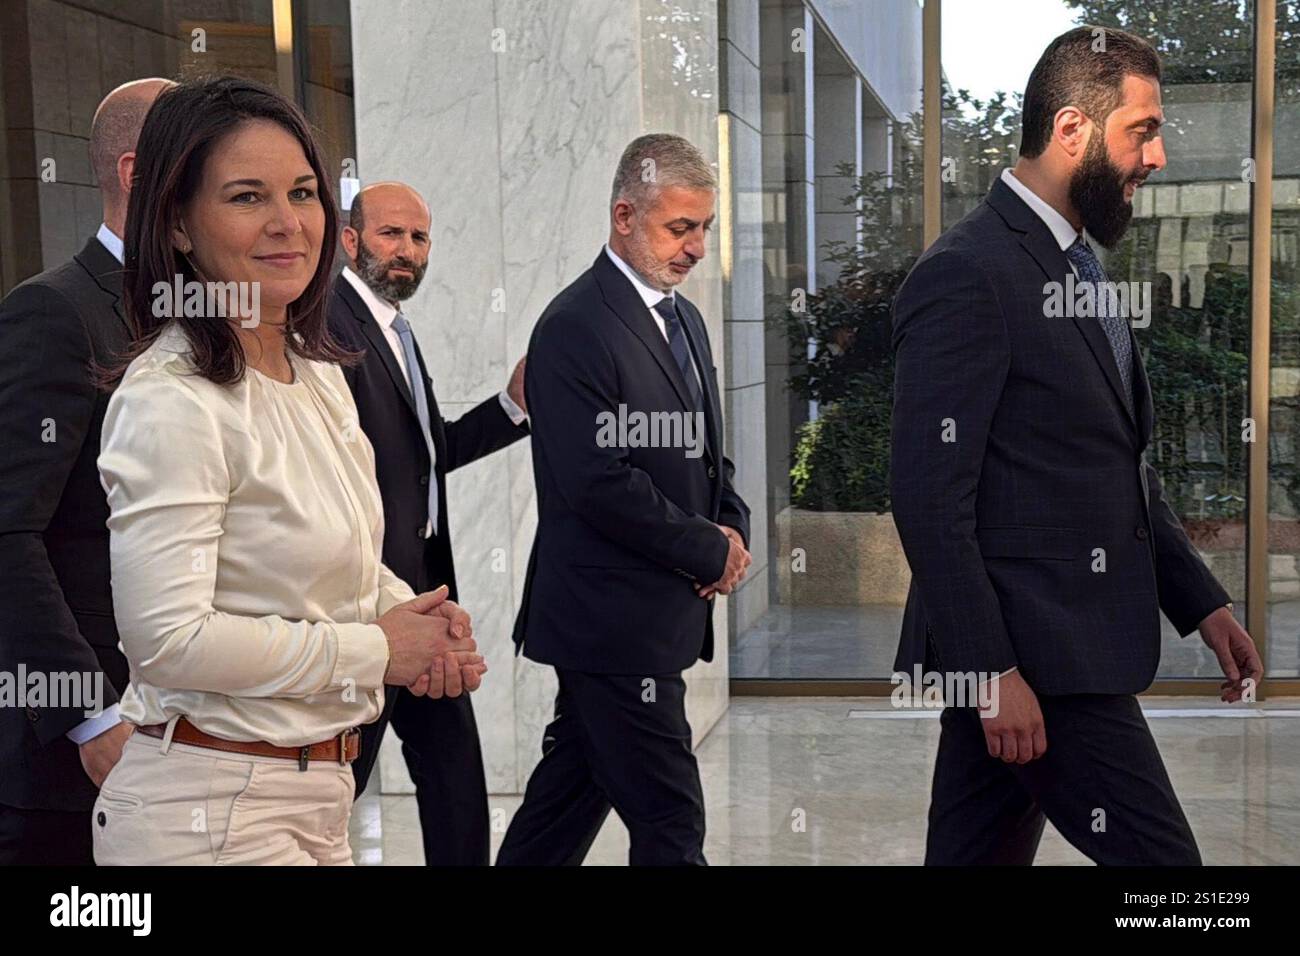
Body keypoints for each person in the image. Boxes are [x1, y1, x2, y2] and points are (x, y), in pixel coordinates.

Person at [889, 26, 1263, 866]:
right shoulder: (968, 272)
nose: (1157, 156)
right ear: (1071, 129)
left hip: (1045, 658)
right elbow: (927, 496)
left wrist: (1202, 603)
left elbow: (1112, 463)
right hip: (1040, 663)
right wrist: (991, 674)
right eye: (1142, 131)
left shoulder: (1073, 266)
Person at [93, 75, 484, 866]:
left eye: (303, 193)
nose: (287, 223)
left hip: (317, 793)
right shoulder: (172, 398)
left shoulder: (317, 374)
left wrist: (416, 618)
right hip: (209, 811)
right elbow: (168, 640)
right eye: (247, 197)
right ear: (176, 223)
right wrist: (377, 650)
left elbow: (337, 563)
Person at [498, 133, 751, 866]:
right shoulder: (573, 325)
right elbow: (597, 482)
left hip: (646, 619)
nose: (696, 247)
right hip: (609, 624)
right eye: (680, 228)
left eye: (704, 228)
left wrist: (730, 524)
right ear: (624, 216)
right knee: (671, 821)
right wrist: (706, 549)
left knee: (563, 806)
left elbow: (707, 450)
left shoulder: (685, 319)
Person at [328, 181, 529, 865]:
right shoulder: (329, 327)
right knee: (335, 792)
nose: (407, 251)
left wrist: (511, 406)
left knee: (456, 786)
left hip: (426, 601)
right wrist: (375, 603)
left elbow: (427, 455)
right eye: (391, 234)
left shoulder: (395, 329)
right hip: (367, 610)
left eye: (418, 238)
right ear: (350, 240)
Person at [0, 78, 171, 865]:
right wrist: (90, 716)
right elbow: (10, 530)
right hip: (78, 763)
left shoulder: (203, 314)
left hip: (188, 733)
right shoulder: (53, 312)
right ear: (136, 172)